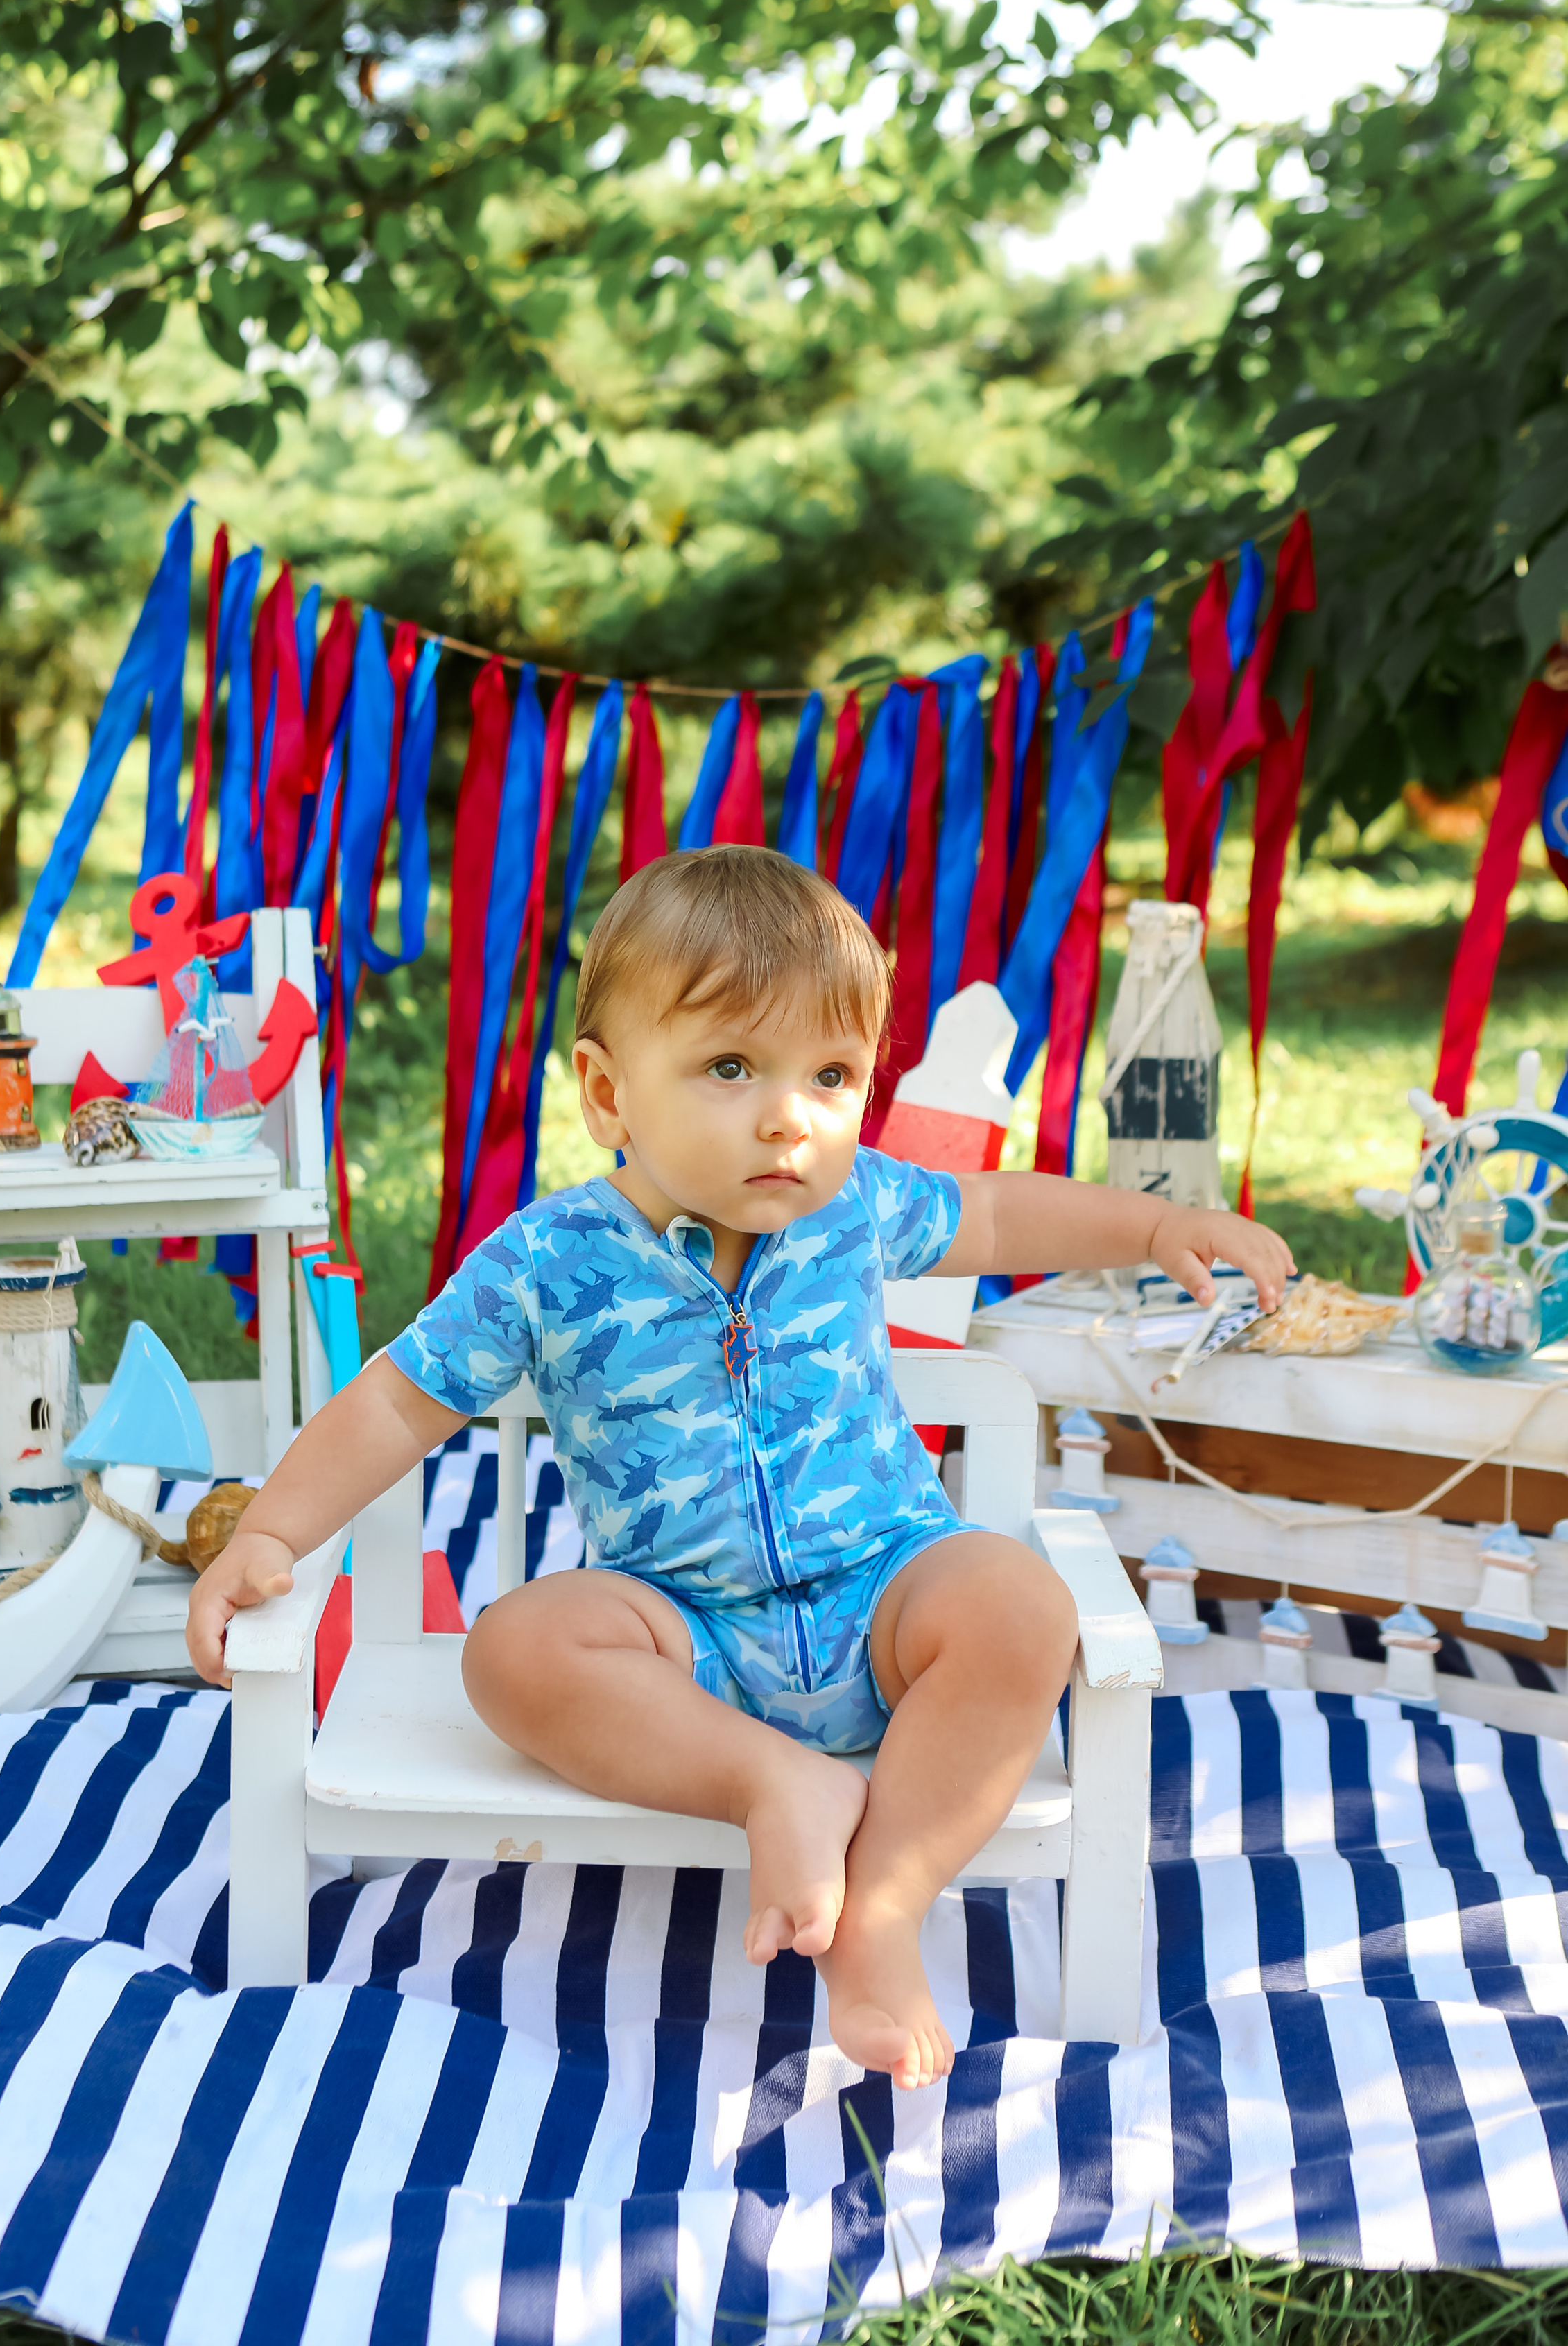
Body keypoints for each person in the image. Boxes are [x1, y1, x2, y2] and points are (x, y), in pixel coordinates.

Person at [188, 847, 1291, 2087]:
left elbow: (992, 1216)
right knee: (514, 1648)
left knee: (1017, 1603)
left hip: (887, 1598)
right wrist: (271, 1534)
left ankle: (883, 1904)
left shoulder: (855, 1205)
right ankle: (776, 1783)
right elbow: (396, 1406)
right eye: (730, 1069)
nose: (791, 1116)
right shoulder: (545, 1263)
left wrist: (1153, 1226)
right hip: (689, 1645)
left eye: (831, 1075)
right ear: (608, 1095)